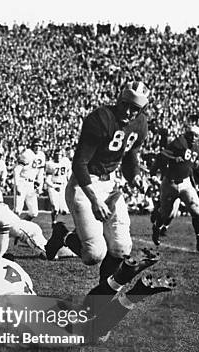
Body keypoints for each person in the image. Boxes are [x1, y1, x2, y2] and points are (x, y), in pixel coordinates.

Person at [0, 250, 174, 346]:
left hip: (0, 325)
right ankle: (121, 279)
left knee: (94, 333)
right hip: (7, 304)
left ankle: (134, 291)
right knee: (88, 321)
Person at [45, 81, 150, 283]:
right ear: (119, 100)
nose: (128, 112)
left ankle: (103, 291)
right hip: (85, 185)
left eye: (134, 109)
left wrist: (135, 177)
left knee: (121, 248)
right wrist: (94, 201)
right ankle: (62, 235)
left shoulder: (141, 124)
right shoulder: (101, 119)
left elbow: (130, 158)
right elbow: (79, 164)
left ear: (141, 110)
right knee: (94, 255)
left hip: (109, 185)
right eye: (125, 104)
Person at [150, 125, 199, 252]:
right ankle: (156, 229)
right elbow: (162, 154)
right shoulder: (179, 142)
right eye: (193, 135)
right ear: (188, 134)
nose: (195, 138)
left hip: (185, 183)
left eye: (197, 136)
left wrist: (196, 182)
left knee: (196, 210)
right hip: (170, 183)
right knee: (165, 214)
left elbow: (190, 167)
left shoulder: (195, 147)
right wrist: (173, 158)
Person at [13, 137, 46, 221]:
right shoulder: (27, 154)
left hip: (31, 184)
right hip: (22, 181)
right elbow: (16, 170)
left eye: (40, 146)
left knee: (34, 212)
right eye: (36, 145)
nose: (38, 147)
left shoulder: (41, 155)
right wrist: (17, 185)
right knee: (17, 210)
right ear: (32, 145)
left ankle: (21, 225)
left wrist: (40, 186)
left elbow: (40, 172)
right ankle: (11, 228)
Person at [44, 147, 71, 226]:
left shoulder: (66, 162)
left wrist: (69, 182)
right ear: (53, 155)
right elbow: (47, 180)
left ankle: (59, 214)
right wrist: (54, 186)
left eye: (60, 155)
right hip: (53, 186)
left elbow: (69, 173)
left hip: (63, 186)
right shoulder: (50, 164)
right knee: (55, 207)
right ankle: (54, 222)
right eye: (56, 155)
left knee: (64, 211)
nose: (58, 157)